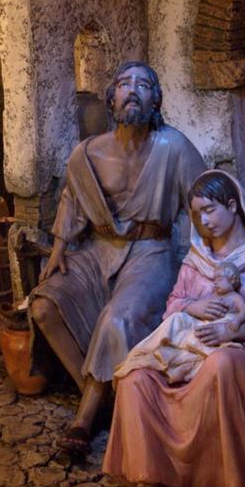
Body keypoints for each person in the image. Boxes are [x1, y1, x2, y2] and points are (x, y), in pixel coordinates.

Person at [103, 170, 245, 487]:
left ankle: (216, 473)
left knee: (220, 364)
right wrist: (191, 306)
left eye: (210, 210)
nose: (204, 221)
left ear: (233, 205)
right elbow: (173, 308)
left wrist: (238, 330)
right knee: (136, 377)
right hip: (187, 354)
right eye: (197, 214)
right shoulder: (196, 261)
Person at [30, 61, 205, 458]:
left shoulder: (174, 148)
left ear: (155, 99)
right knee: (44, 307)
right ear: (112, 100)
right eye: (125, 84)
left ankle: (84, 420)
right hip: (97, 251)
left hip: (151, 252)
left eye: (144, 84)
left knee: (117, 320)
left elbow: (205, 200)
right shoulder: (89, 153)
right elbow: (72, 199)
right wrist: (58, 252)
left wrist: (213, 260)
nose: (133, 90)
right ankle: (103, 399)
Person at [113, 260, 245, 385]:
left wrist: (237, 321)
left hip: (217, 331)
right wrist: (193, 306)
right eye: (214, 280)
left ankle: (179, 363)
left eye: (219, 279)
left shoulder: (235, 298)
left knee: (209, 350)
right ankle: (145, 349)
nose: (215, 283)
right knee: (176, 318)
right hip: (201, 323)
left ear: (232, 280)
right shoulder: (195, 266)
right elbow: (175, 302)